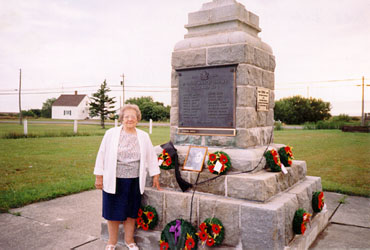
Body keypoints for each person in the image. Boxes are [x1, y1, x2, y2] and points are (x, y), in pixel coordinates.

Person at [94, 104, 161, 250]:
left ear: (137, 119)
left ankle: (129, 240)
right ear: (121, 119)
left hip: (134, 181)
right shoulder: (110, 134)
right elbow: (101, 154)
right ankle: (111, 242)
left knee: (131, 212)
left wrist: (155, 174)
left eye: (133, 117)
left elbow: (151, 156)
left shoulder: (143, 136)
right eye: (126, 116)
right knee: (113, 212)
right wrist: (99, 176)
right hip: (114, 180)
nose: (129, 119)